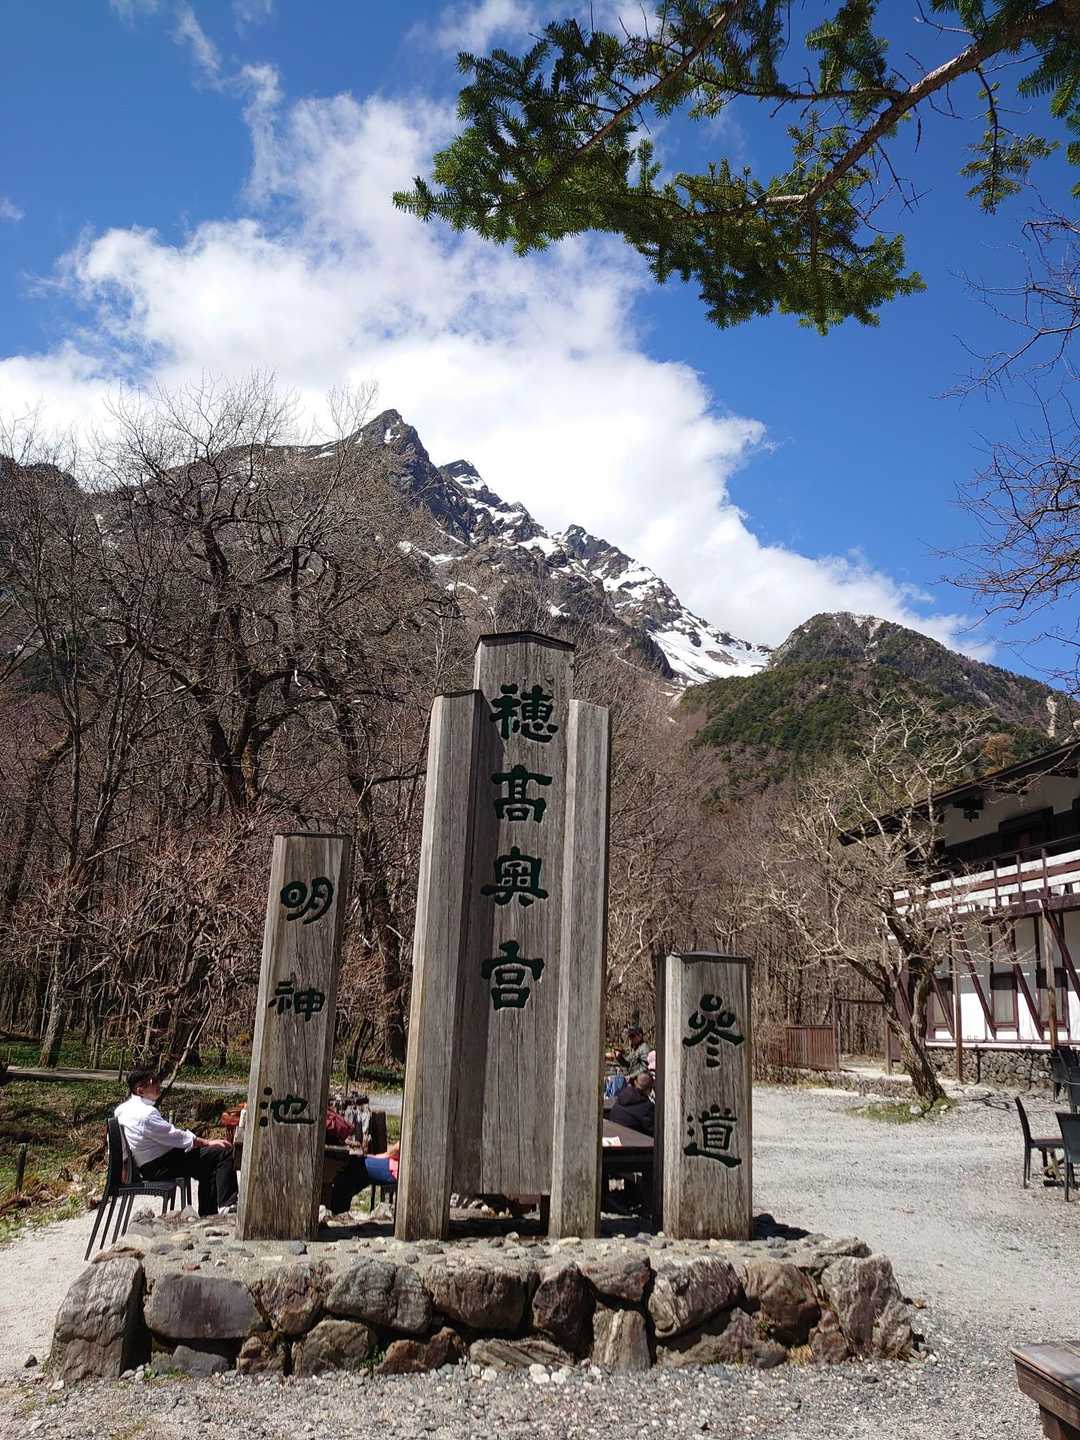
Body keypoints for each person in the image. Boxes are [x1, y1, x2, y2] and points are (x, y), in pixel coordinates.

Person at [115, 1069, 237, 1217]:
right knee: (224, 1152)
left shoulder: (121, 1110)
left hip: (149, 1165)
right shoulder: (145, 1114)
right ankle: (227, 1205)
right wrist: (207, 1142)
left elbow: (118, 1141)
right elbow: (173, 1135)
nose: (158, 1085)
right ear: (140, 1090)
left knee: (208, 1165)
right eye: (153, 1082)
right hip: (161, 1166)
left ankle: (208, 1214)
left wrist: (124, 1162)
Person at [609, 1070, 654, 1136]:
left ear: (635, 1082)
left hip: (613, 1136)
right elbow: (651, 1131)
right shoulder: (647, 1108)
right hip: (632, 1140)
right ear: (650, 1089)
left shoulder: (622, 1096)